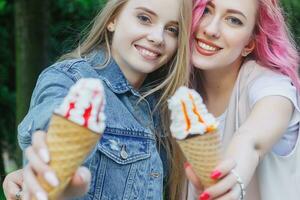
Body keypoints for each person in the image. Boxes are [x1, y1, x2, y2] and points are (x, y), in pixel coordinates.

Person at [2, 0, 192, 199]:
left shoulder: (165, 105)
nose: (157, 37)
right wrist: (51, 161)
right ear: (112, 19)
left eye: (172, 29)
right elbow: (53, 115)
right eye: (144, 18)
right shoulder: (69, 78)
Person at [184, 0, 300, 199]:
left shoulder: (269, 84)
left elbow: (251, 139)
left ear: (249, 43)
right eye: (206, 11)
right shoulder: (181, 93)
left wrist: (233, 175)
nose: (211, 29)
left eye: (233, 20)